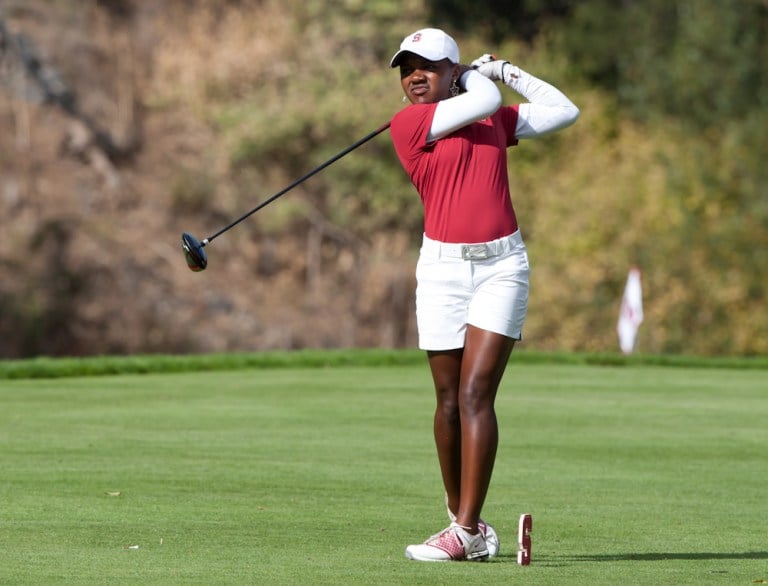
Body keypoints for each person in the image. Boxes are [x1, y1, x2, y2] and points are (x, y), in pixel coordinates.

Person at [388, 28, 579, 562]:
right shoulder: (409, 125)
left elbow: (564, 110)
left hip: (502, 266)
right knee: (447, 402)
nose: (414, 77)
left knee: (475, 394)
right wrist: (477, 78)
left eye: (427, 66)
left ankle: (466, 529)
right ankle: (462, 521)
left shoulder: (492, 118)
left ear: (450, 71)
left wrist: (505, 70)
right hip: (442, 270)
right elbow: (485, 99)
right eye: (407, 69)